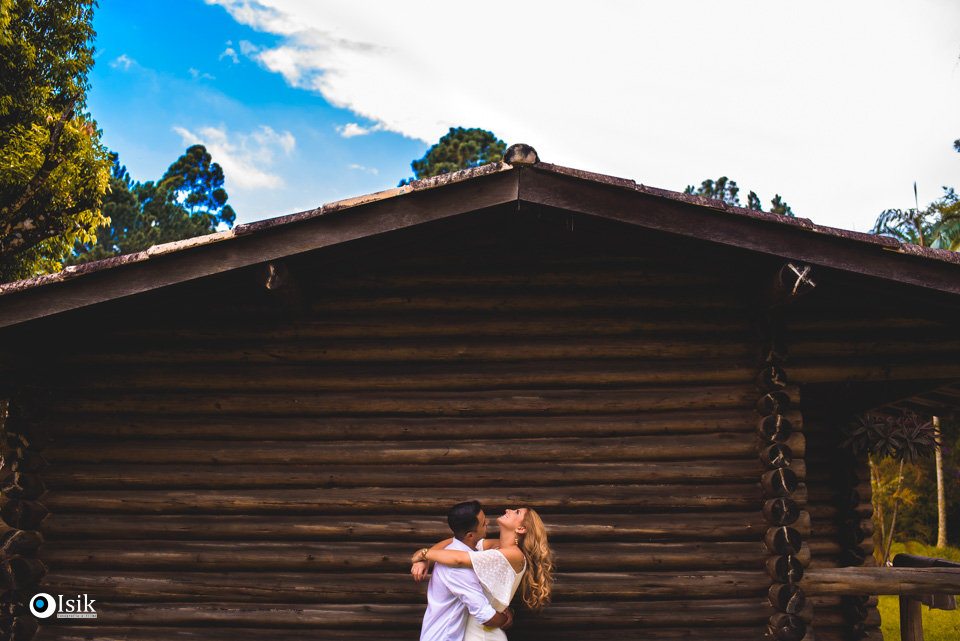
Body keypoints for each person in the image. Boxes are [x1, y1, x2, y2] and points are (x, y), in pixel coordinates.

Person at [412, 505, 554, 640]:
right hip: (471, 631)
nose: (508, 510)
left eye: (517, 512)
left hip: (482, 634)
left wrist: (424, 553)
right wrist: (425, 557)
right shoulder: (497, 547)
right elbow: (457, 540)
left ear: (521, 528)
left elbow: (459, 558)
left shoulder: (513, 555)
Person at [414, 501, 515, 641]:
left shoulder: (465, 549)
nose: (487, 522)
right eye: (482, 522)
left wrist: (425, 554)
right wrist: (505, 619)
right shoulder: (457, 570)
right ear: (470, 535)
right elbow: (486, 616)